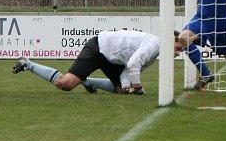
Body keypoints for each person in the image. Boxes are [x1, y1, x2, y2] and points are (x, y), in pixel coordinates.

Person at [12, 30, 183, 94]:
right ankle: (27, 64)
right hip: (98, 48)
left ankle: (88, 82)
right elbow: (133, 65)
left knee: (123, 91)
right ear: (171, 40)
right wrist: (137, 86)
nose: (178, 52)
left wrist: (127, 86)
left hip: (112, 60)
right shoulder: (154, 44)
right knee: (65, 85)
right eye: (178, 48)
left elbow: (128, 67)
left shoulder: (156, 50)